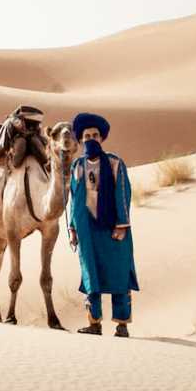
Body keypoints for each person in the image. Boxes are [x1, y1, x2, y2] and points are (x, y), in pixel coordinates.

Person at [67, 113, 139, 337]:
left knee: (118, 273)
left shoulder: (115, 162)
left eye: (95, 135)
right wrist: (72, 228)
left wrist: (121, 225)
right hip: (87, 227)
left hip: (112, 228)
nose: (91, 139)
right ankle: (94, 323)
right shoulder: (78, 165)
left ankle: (122, 325)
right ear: (80, 140)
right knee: (91, 274)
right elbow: (73, 197)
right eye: (86, 136)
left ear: (101, 138)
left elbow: (123, 193)